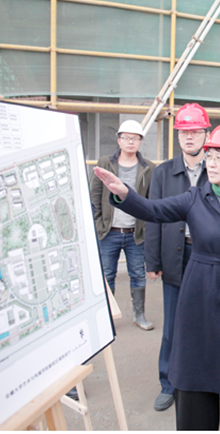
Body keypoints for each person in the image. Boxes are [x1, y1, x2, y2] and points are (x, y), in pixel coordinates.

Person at [93, 124, 220, 431]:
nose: (210, 164)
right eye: (209, 156)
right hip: (198, 290)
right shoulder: (195, 197)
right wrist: (124, 194)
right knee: (195, 366)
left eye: (219, 158)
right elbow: (152, 210)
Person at [146, 104, 210, 412]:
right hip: (175, 255)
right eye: (184, 132)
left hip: (209, 257)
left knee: (210, 322)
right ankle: (168, 383)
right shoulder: (163, 172)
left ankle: (212, 381)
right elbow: (152, 217)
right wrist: (152, 262)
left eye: (195, 132)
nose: (189, 137)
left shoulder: (218, 167)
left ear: (206, 134)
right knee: (172, 326)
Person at [90, 119, 156, 330]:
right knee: (107, 274)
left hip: (135, 233)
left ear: (140, 141)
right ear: (119, 140)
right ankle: (106, 317)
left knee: (137, 273)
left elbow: (151, 201)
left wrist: (146, 227)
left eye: (135, 138)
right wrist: (98, 223)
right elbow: (95, 196)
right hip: (109, 231)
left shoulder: (148, 168)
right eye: (126, 138)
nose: (130, 142)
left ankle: (139, 315)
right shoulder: (105, 163)